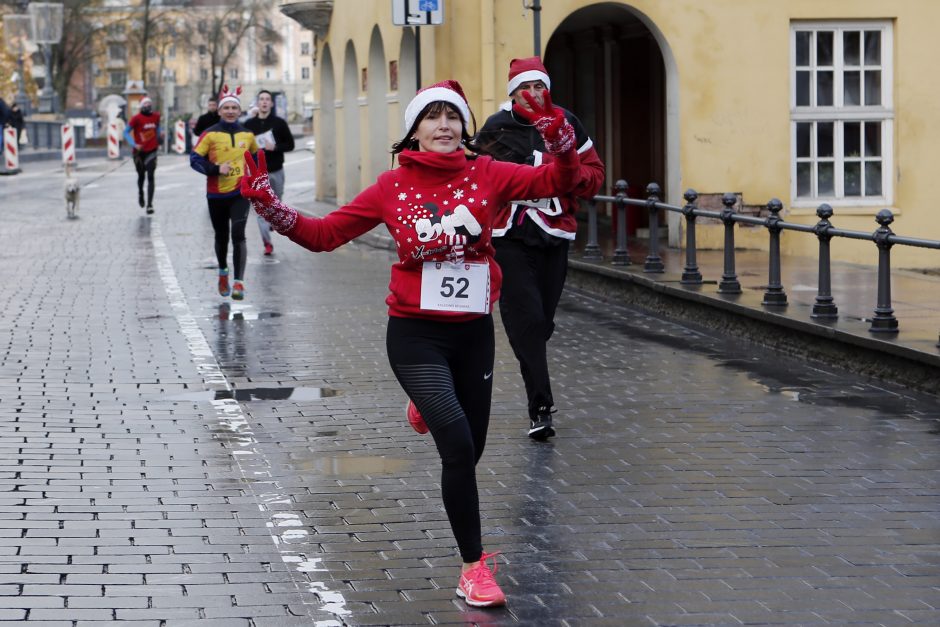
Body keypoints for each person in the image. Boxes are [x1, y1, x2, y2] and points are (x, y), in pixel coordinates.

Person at [240, 79, 580, 608]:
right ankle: (472, 568)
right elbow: (326, 234)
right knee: (459, 446)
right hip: (415, 334)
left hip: (473, 332)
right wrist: (273, 209)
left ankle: (425, 405)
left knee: (473, 451)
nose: (444, 126)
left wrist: (558, 138)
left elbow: (560, 183)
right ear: (415, 129)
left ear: (465, 126)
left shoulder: (488, 173)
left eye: (452, 117)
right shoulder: (391, 186)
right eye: (432, 117)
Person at [474, 57, 605, 441]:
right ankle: (541, 406)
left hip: (554, 234)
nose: (532, 94)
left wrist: (559, 171)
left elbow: (595, 176)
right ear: (512, 93)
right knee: (527, 319)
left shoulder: (567, 124)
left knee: (541, 322)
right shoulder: (497, 127)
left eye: (539, 87)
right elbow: (479, 177)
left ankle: (531, 346)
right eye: (524, 88)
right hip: (508, 236)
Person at [190, 85, 258, 301]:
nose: (230, 111)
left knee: (239, 234)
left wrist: (256, 182)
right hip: (216, 195)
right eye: (226, 107)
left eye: (234, 108)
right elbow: (194, 160)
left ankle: (239, 282)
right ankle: (223, 272)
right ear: (219, 111)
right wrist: (216, 169)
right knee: (222, 236)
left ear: (239, 111)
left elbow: (256, 159)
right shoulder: (209, 135)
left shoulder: (247, 135)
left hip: (240, 193)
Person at [244, 89, 295, 256]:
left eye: (267, 99)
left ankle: (272, 221)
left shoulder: (279, 123)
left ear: (271, 104)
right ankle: (267, 243)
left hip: (276, 170)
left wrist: (276, 147)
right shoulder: (249, 125)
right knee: (261, 210)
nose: (264, 102)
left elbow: (291, 145)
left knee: (276, 204)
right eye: (261, 99)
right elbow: (242, 146)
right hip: (258, 174)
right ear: (258, 103)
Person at [124, 96, 163, 214]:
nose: (148, 106)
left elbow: (158, 128)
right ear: (141, 106)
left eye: (149, 104)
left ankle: (150, 205)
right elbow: (125, 132)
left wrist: (160, 135)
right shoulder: (136, 118)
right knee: (141, 176)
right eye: (145, 104)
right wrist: (134, 144)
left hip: (152, 151)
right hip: (139, 153)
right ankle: (141, 193)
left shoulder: (156, 116)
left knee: (151, 176)